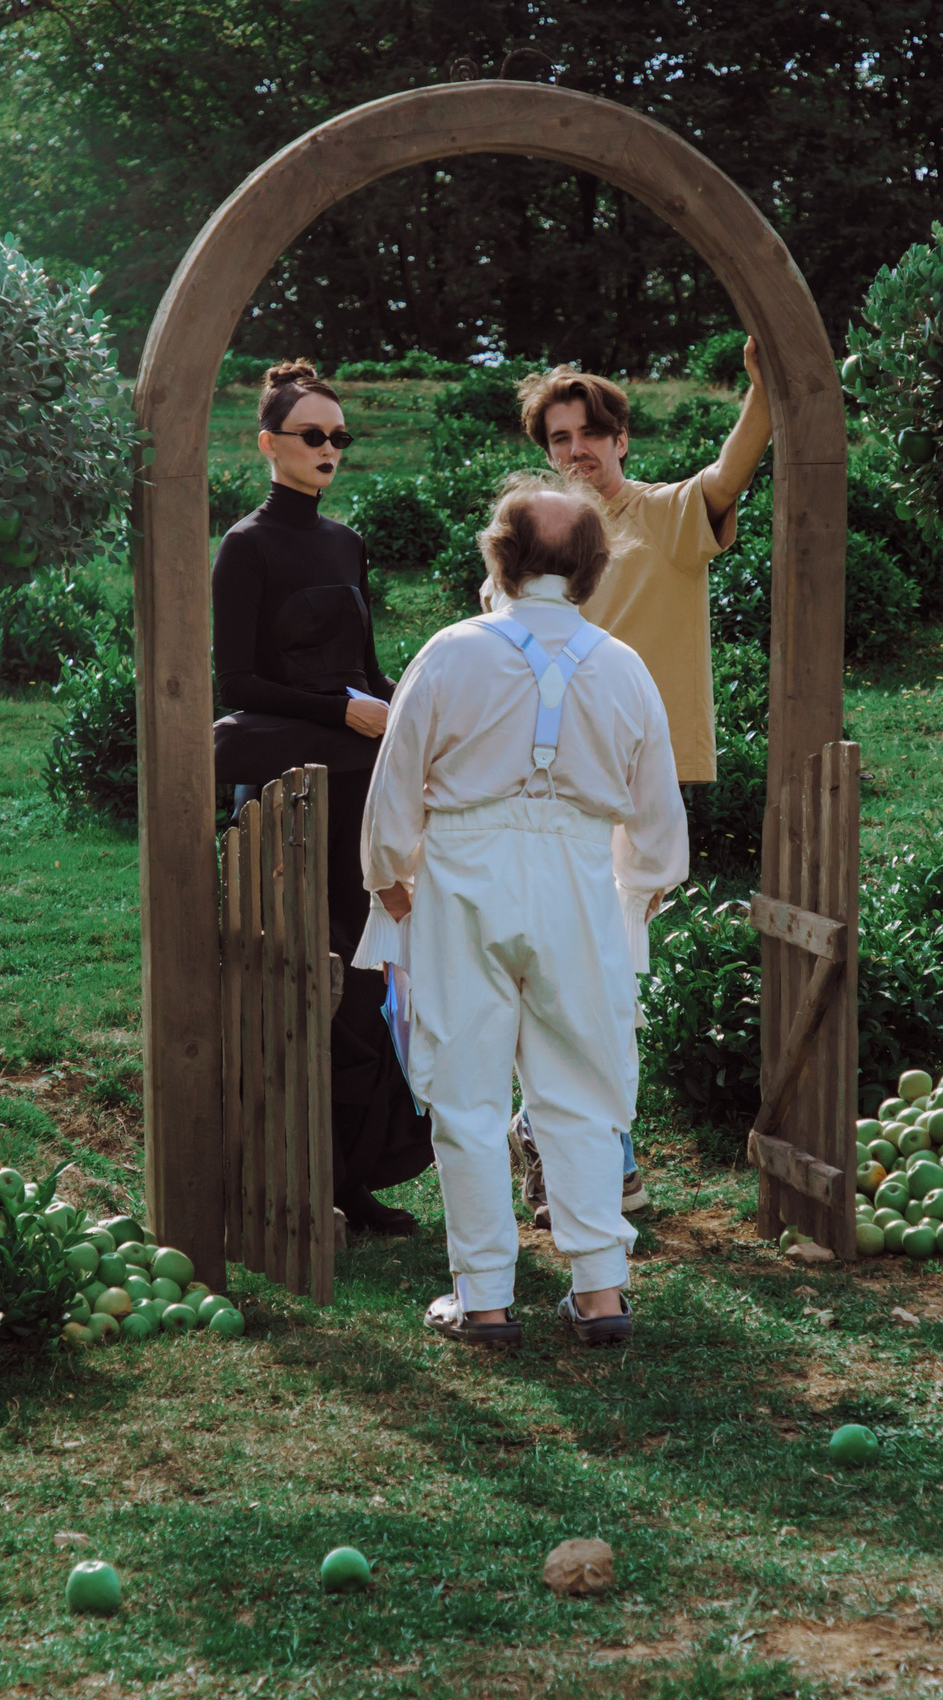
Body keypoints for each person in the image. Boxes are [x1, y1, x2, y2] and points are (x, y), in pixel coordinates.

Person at [356, 474, 689, 1348]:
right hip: (579, 881)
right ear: (591, 570)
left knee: (464, 1097)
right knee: (581, 1092)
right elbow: (658, 831)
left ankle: (486, 1298)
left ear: (499, 556)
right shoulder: (624, 667)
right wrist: (629, 895)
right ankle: (601, 1290)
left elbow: (393, 791)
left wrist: (392, 875)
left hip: (464, 874)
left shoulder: (451, 651)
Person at [503, 339, 774, 1228]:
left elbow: (735, 468)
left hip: (638, 791)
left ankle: (563, 1143)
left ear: (621, 439)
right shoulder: (534, 542)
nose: (575, 450)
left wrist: (767, 385)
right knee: (584, 977)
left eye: (589, 433)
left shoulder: (664, 517)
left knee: (607, 978)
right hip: (542, 793)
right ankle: (588, 1159)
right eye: (558, 437)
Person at [211, 358, 432, 1235]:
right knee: (307, 963)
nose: (329, 447)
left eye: (339, 435)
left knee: (367, 965)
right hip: (292, 771)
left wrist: (408, 711)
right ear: (270, 444)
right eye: (313, 435)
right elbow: (239, 680)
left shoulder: (346, 542)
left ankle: (355, 1175)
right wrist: (343, 708)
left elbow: (368, 665)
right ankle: (285, 1168)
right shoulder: (245, 545)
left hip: (362, 772)